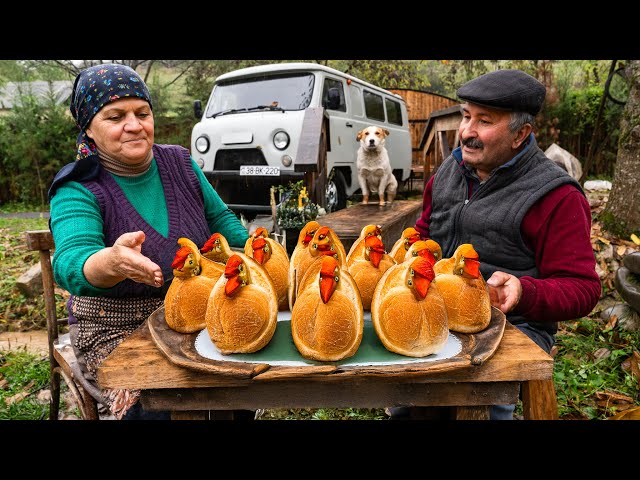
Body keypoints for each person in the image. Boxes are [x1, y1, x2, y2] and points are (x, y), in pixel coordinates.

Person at [392, 69, 601, 420]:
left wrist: (523, 292)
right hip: (436, 311)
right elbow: (426, 230)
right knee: (409, 404)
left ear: (520, 134)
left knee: (474, 404)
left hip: (512, 326)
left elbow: (583, 288)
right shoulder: (449, 170)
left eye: (484, 121)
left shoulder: (557, 197)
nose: (466, 131)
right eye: (466, 116)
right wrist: (411, 249)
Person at [48, 63, 249, 420]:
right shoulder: (78, 187)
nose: (134, 125)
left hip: (198, 313)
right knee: (161, 408)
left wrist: (257, 254)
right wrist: (111, 262)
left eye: (142, 112)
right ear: (89, 130)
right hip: (116, 328)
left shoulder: (180, 163)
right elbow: (70, 262)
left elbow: (221, 222)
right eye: (115, 116)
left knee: (241, 386)